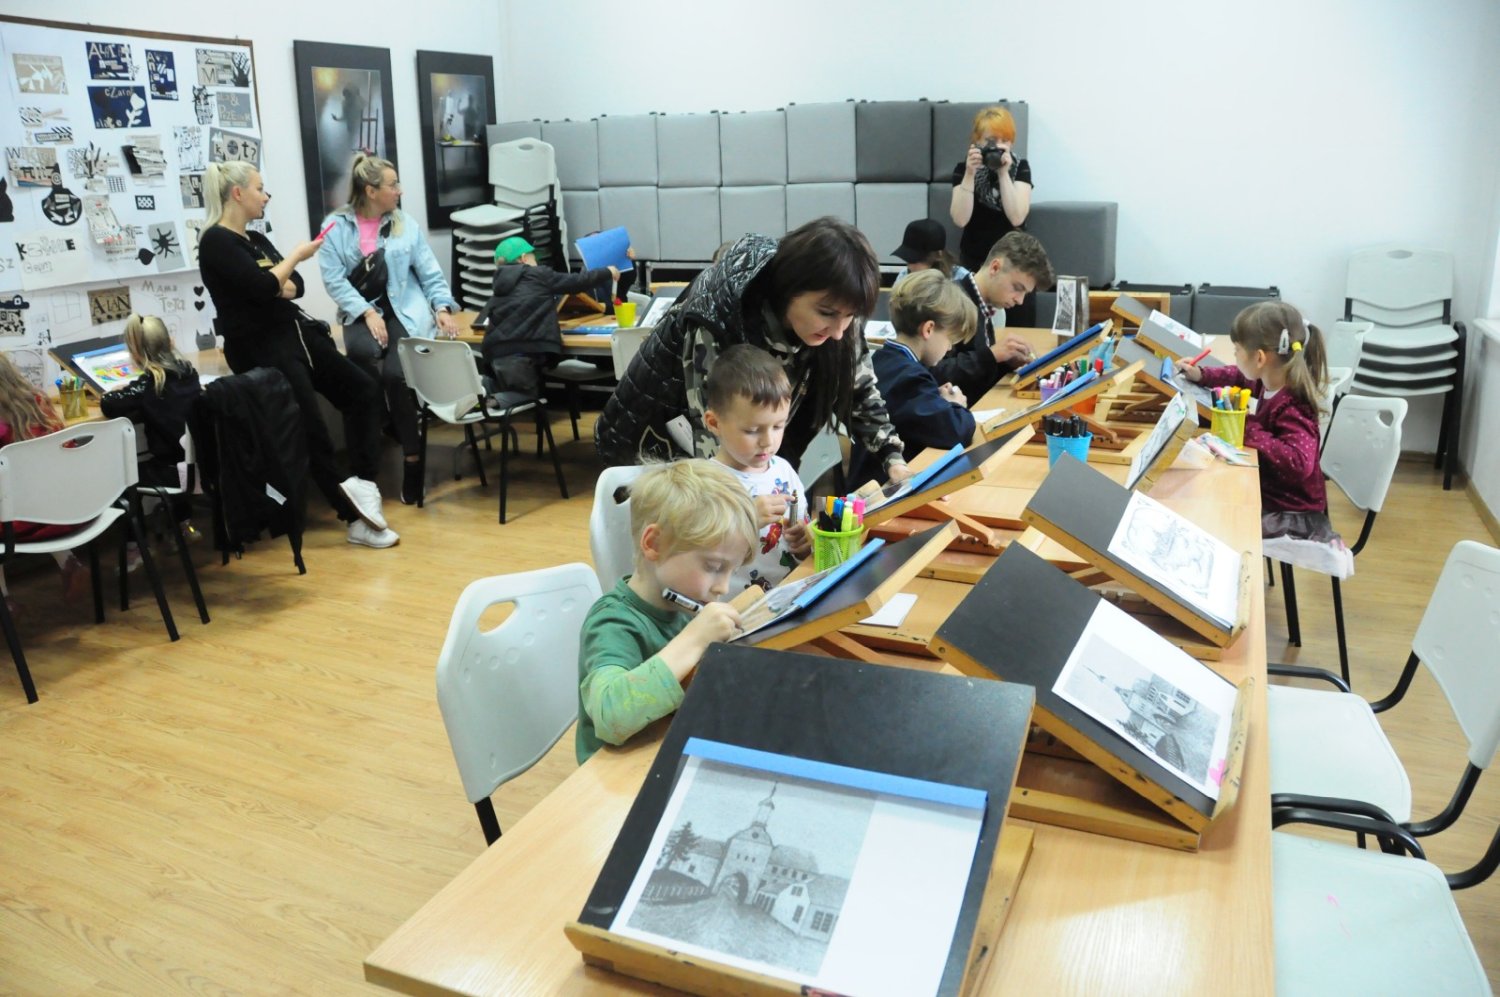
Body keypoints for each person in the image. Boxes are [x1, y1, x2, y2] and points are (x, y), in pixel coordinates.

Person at [595, 216, 913, 484]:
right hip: (657, 445)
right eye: (826, 314)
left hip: (739, 445)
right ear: (789, 289)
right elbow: (712, 435)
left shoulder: (838, 307)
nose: (839, 331)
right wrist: (745, 502)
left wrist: (893, 459)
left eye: (850, 317)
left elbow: (859, 390)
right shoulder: (720, 313)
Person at [196, 160, 398, 549]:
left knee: (363, 389)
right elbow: (263, 286)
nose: (266, 196)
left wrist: (277, 280)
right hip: (260, 347)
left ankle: (362, 483)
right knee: (311, 429)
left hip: (297, 335)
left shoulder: (256, 240)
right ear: (237, 193)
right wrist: (293, 259)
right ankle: (353, 518)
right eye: (259, 188)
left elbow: (296, 286)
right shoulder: (216, 242)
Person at [575, 459, 756, 763]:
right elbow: (610, 716)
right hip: (619, 773)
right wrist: (694, 639)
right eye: (714, 567)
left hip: (671, 743)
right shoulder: (612, 622)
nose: (723, 587)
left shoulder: (684, 602)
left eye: (732, 570)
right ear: (654, 543)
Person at [319, 155, 460, 506]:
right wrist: (366, 312)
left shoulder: (404, 224)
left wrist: (441, 308)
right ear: (371, 190)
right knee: (362, 366)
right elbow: (334, 280)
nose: (400, 190)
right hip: (360, 311)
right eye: (393, 184)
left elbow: (429, 272)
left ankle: (412, 460)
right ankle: (383, 431)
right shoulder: (335, 226)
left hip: (403, 310)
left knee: (397, 376)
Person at [1175, 301, 1336, 544]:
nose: (1235, 355)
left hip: (1292, 512)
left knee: (1215, 519)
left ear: (1259, 358)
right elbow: (1237, 376)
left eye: (1237, 350)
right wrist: (1202, 375)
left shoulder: (1294, 404)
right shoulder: (1266, 379)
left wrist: (1248, 429)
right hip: (1272, 492)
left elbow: (1299, 463)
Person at [851, 271, 980, 485]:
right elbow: (957, 430)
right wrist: (956, 406)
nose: (949, 348)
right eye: (950, 339)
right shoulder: (908, 378)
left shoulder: (885, 359)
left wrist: (939, 402)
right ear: (929, 329)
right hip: (882, 489)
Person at [702, 345, 811, 592]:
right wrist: (746, 521)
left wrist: (804, 544)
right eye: (752, 430)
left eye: (778, 426)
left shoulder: (784, 471)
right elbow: (699, 561)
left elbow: (801, 544)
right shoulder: (706, 484)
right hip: (735, 607)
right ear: (714, 423)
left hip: (790, 596)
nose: (768, 441)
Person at [99, 314, 202, 537]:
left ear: (135, 353)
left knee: (123, 478)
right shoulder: (188, 372)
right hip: (199, 465)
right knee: (176, 455)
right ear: (170, 342)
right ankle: (183, 524)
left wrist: (116, 391)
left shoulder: (149, 384)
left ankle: (134, 546)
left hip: (173, 473)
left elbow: (109, 405)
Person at [478, 235, 618, 398]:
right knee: (527, 399)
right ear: (524, 258)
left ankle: (483, 392)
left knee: (507, 390)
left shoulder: (499, 284)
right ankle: (492, 400)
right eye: (534, 257)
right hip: (523, 354)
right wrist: (607, 271)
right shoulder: (537, 274)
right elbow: (576, 282)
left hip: (495, 355)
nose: (536, 262)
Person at [0, 353, 87, 602]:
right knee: (30, 495)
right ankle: (69, 562)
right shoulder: (38, 403)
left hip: (19, 521)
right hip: (64, 508)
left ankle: (5, 600)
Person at [935, 231, 1055, 405]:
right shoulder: (951, 303)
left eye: (1026, 293)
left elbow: (975, 374)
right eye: (1017, 288)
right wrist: (991, 356)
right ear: (995, 268)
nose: (1020, 300)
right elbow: (934, 373)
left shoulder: (982, 305)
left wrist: (1005, 361)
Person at [950, 105, 1036, 325]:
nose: (997, 146)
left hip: (1015, 265)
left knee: (1018, 330)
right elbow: (960, 218)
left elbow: (1017, 217)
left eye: (1004, 140)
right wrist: (970, 174)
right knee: (972, 328)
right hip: (976, 264)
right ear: (977, 141)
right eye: (991, 140)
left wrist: (1003, 174)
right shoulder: (964, 169)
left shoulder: (1020, 167)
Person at [891, 218, 961, 282]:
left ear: (938, 255)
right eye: (908, 260)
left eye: (917, 260)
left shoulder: (961, 278)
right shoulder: (904, 276)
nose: (910, 266)